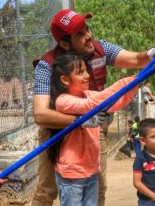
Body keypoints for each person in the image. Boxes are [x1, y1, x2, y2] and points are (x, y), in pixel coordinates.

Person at [32, 9, 155, 206]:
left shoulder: (100, 49)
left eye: (87, 29)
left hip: (94, 131)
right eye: (80, 34)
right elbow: (40, 114)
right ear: (64, 43)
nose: (89, 36)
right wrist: (80, 121)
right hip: (57, 132)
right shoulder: (48, 65)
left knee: (97, 187)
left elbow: (137, 59)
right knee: (47, 190)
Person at [48, 54, 139, 205]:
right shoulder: (62, 101)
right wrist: (128, 81)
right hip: (72, 173)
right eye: (80, 72)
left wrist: (136, 83)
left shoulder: (89, 94)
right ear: (65, 80)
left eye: (85, 70)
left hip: (91, 170)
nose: (87, 75)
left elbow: (116, 101)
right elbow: (91, 104)